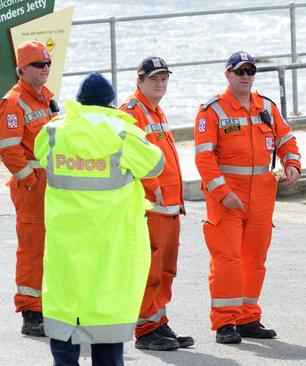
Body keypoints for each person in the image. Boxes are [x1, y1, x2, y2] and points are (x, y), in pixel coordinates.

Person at [34, 72, 164, 366]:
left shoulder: (54, 132)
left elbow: (40, 154)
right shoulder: (122, 133)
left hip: (65, 245)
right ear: (111, 102)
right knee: (106, 319)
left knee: (65, 316)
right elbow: (155, 165)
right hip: (110, 244)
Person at [194, 51, 301, 344]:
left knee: (255, 259)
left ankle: (247, 317)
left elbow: (286, 139)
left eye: (250, 71)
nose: (245, 76)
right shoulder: (212, 110)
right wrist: (223, 192)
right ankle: (225, 322)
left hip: (262, 195)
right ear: (227, 74)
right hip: (227, 197)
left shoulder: (265, 106)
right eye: (239, 71)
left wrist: (292, 164)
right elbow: (204, 158)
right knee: (227, 259)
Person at [120, 56, 194, 351]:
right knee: (149, 269)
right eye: (154, 79)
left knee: (165, 269)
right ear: (139, 81)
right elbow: (129, 155)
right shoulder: (131, 111)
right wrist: (152, 188)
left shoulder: (156, 110)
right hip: (152, 206)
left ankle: (159, 322)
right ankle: (146, 328)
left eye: (164, 79)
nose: (160, 84)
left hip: (170, 205)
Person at [0, 40, 58, 337]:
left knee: (51, 248)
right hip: (32, 189)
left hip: (51, 187)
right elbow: (9, 150)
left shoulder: (45, 98)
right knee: (33, 249)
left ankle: (45, 304)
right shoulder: (14, 101)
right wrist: (31, 182)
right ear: (22, 69)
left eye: (47, 63)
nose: (45, 69)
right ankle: (30, 313)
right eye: (38, 64)